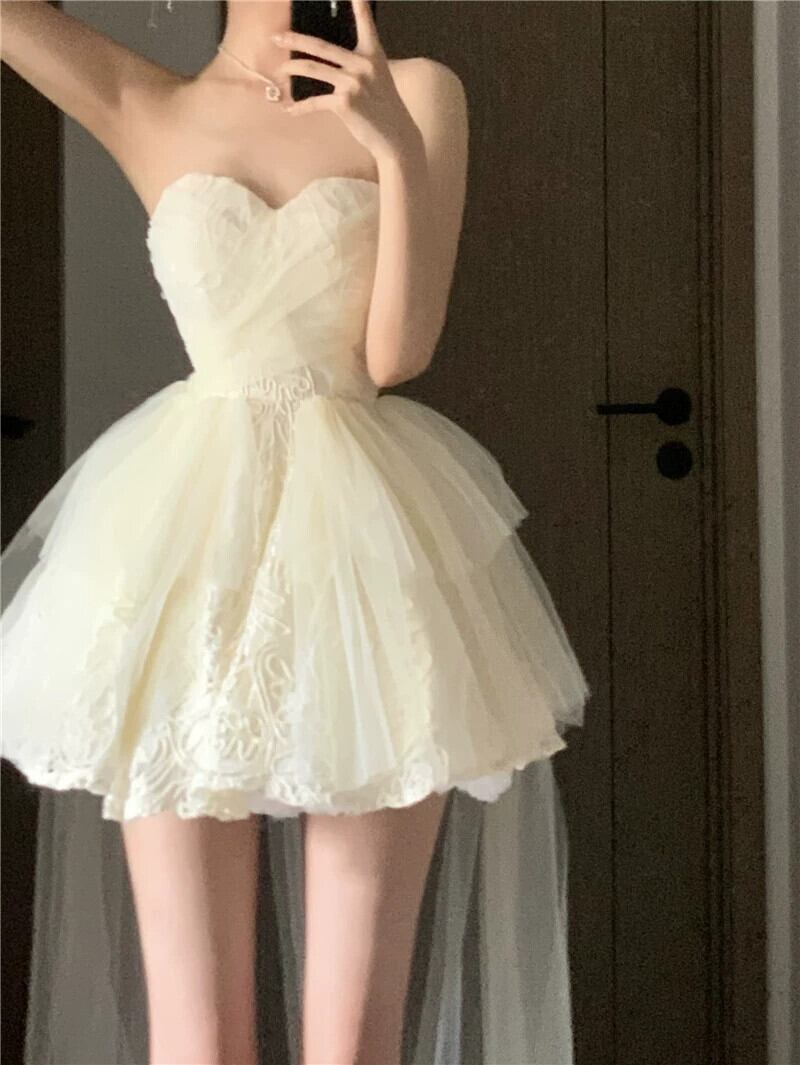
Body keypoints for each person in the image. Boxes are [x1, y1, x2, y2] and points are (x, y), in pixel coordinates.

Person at [0, 1, 591, 1063]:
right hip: (182, 558)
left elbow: (395, 354)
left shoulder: (419, 92)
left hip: (364, 558)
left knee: (352, 1043)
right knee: (197, 1042)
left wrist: (393, 145)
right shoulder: (146, 103)